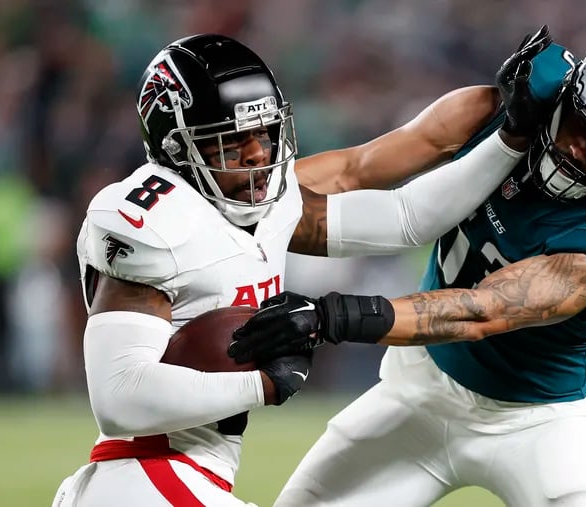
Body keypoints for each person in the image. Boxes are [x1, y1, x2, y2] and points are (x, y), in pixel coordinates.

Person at [53, 28, 550, 506]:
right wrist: (264, 383)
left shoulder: (265, 204)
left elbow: (407, 217)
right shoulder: (152, 223)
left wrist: (510, 135)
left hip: (186, 476)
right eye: (233, 141)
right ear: (178, 148)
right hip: (144, 473)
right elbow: (119, 401)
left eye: (265, 134)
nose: (257, 154)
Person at [229, 38, 586, 506]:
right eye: (579, 124)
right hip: (419, 395)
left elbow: (480, 312)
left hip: (538, 427)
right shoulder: (494, 114)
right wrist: (227, 197)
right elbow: (355, 169)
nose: (576, 148)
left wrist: (329, 316)